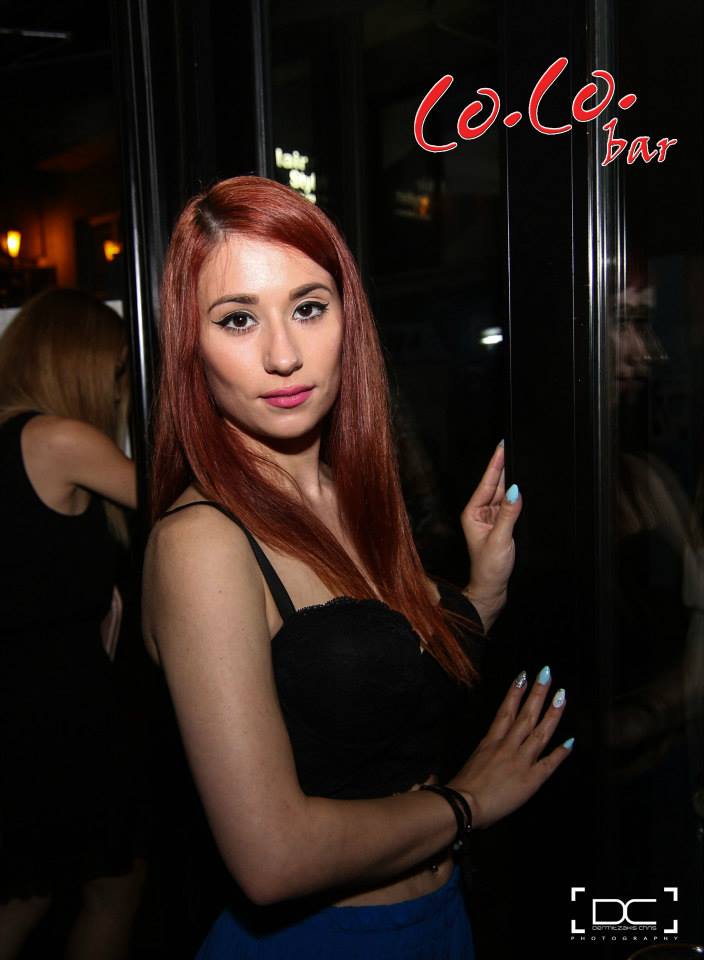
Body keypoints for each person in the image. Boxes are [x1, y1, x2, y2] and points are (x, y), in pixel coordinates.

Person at [142, 175, 573, 958]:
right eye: (237, 319)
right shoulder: (201, 543)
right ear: (188, 344)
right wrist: (470, 802)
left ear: (349, 317)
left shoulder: (351, 494)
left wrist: (481, 590)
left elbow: (384, 690)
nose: (283, 355)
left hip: (440, 920)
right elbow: (271, 859)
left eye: (308, 308)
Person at [0, 289, 144, 960]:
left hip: (32, 705)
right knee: (112, 884)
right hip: (53, 711)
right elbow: (179, 496)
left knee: (31, 892)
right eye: (118, 371)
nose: (121, 390)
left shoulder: (14, 439)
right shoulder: (58, 438)